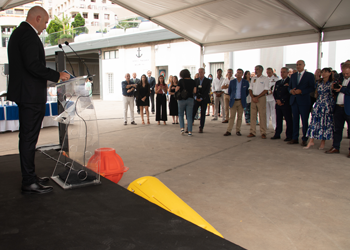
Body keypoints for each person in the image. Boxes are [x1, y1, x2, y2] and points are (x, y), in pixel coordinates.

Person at [7, 6, 70, 194]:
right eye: (45, 22)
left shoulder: (19, 33)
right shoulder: (28, 34)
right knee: (28, 138)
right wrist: (57, 75)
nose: (45, 27)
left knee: (29, 137)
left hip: (25, 93)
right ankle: (28, 181)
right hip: (30, 95)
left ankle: (30, 176)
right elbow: (33, 65)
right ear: (38, 18)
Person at [304, 68, 335, 149]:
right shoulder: (319, 82)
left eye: (325, 72)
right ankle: (311, 140)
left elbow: (333, 94)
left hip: (327, 104)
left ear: (329, 73)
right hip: (319, 103)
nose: (323, 74)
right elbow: (316, 93)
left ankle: (323, 141)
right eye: (322, 72)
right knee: (314, 122)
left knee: (324, 123)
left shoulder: (332, 83)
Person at [288, 60, 315, 146]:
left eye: (300, 65)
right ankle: (294, 138)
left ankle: (304, 138)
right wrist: (291, 91)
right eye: (297, 65)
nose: (298, 66)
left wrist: (302, 91)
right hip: (294, 100)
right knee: (295, 120)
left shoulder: (309, 75)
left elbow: (312, 88)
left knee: (304, 121)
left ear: (304, 65)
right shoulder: (293, 76)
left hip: (304, 101)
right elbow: (289, 87)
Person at [325, 63, 350, 157]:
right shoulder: (340, 78)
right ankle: (335, 147)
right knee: (337, 129)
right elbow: (336, 90)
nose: (345, 75)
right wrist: (334, 89)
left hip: (348, 108)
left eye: (347, 73)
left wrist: (342, 89)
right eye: (344, 73)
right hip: (338, 107)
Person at [224, 69, 249, 136]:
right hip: (233, 101)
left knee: (240, 117)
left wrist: (243, 97)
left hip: (241, 101)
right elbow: (229, 91)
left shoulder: (245, 82)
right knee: (232, 116)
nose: (238, 74)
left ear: (242, 74)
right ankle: (229, 130)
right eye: (237, 72)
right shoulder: (232, 82)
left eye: (240, 73)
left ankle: (238, 130)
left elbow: (247, 92)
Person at [271, 67, 293, 141]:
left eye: (284, 72)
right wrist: (277, 100)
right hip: (278, 104)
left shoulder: (290, 81)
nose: (282, 73)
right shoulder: (278, 82)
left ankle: (289, 135)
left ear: (287, 73)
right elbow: (275, 92)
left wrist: (282, 100)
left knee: (288, 120)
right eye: (281, 72)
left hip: (286, 104)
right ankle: (277, 134)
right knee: (278, 120)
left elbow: (289, 93)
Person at [247, 65, 269, 139]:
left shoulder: (265, 79)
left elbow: (266, 90)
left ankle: (263, 132)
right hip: (253, 98)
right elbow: (250, 88)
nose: (255, 71)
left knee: (262, 115)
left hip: (261, 98)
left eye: (256, 69)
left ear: (261, 70)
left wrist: (257, 97)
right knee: (253, 115)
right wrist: (253, 97)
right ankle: (252, 132)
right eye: (255, 69)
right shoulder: (253, 78)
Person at [176, 69, 196, 136]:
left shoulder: (181, 81)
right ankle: (190, 131)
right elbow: (195, 91)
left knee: (181, 114)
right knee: (189, 116)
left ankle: (182, 128)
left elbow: (177, 89)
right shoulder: (193, 81)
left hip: (181, 99)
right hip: (190, 99)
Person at [192, 68, 211, 133]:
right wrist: (195, 97)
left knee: (203, 114)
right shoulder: (195, 80)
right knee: (193, 112)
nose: (200, 73)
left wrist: (202, 98)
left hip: (204, 99)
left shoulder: (207, 80)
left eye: (201, 72)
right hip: (196, 99)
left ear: (204, 73)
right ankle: (189, 126)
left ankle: (201, 127)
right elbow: (194, 90)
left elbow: (207, 91)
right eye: (199, 72)